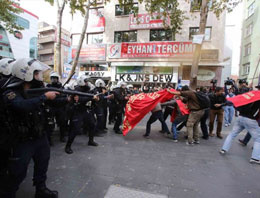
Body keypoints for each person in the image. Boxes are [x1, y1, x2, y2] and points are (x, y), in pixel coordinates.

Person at [0, 58, 59, 198]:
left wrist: (68, 99)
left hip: (39, 135)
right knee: (17, 172)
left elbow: (52, 103)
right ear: (26, 74)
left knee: (42, 164)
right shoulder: (10, 92)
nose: (39, 76)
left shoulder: (35, 90)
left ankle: (41, 188)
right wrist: (44, 97)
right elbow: (21, 105)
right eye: (36, 73)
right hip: (23, 140)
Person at [65, 75, 99, 154]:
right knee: (75, 129)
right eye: (86, 81)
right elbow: (79, 99)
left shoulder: (88, 89)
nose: (87, 83)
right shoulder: (76, 90)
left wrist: (96, 97)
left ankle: (91, 141)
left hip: (87, 110)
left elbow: (94, 96)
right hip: (78, 111)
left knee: (92, 125)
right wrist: (91, 97)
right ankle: (68, 146)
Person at [220, 99, 260, 165]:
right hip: (251, 120)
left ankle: (223, 149)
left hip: (241, 117)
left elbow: (236, 102)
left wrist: (222, 104)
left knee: (232, 134)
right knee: (258, 139)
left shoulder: (249, 96)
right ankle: (255, 158)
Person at [45, 72, 67, 144]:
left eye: (55, 78)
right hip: (51, 107)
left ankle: (62, 136)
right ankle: (49, 138)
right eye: (52, 78)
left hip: (60, 108)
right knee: (50, 124)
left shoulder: (61, 87)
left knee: (62, 123)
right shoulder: (48, 87)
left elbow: (64, 97)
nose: (53, 80)